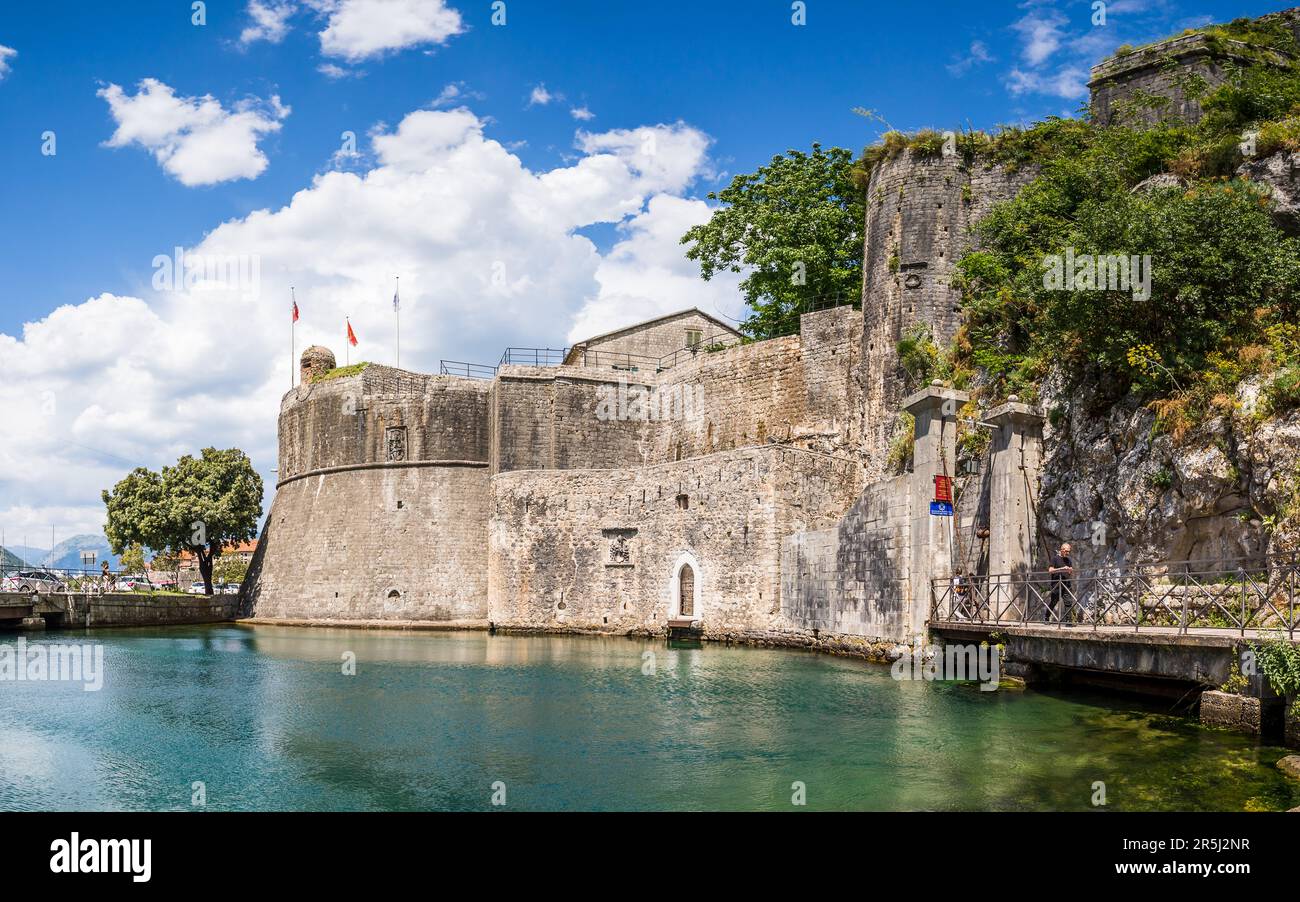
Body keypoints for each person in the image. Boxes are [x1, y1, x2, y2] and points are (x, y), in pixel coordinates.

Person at [1047, 543, 1074, 624]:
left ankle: (1068, 621)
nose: (1068, 553)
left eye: (1069, 551)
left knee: (1068, 601)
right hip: (1056, 584)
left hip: (1066, 583)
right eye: (1066, 551)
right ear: (1062, 550)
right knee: (1053, 602)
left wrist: (1069, 570)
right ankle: (1046, 617)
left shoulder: (1068, 560)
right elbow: (1050, 570)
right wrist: (1062, 568)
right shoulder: (1055, 559)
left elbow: (1070, 572)